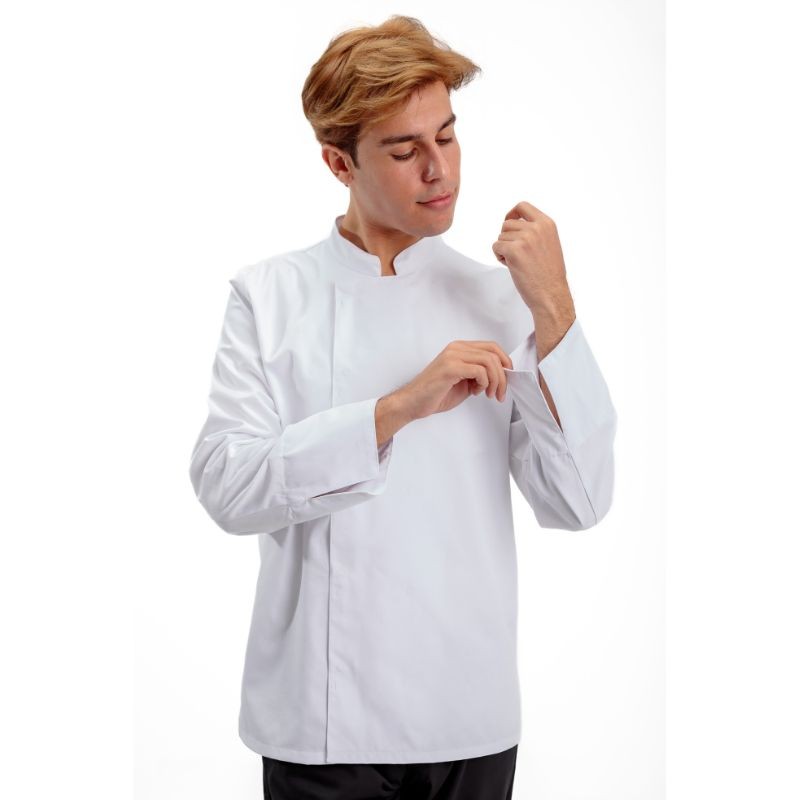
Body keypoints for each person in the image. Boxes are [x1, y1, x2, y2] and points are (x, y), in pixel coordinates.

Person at [188, 14, 617, 800]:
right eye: (403, 148)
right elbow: (226, 486)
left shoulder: (504, 298)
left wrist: (556, 309)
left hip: (472, 716)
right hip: (323, 726)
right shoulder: (269, 297)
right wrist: (393, 410)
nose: (439, 168)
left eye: (447, 135)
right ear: (338, 162)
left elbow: (581, 502)